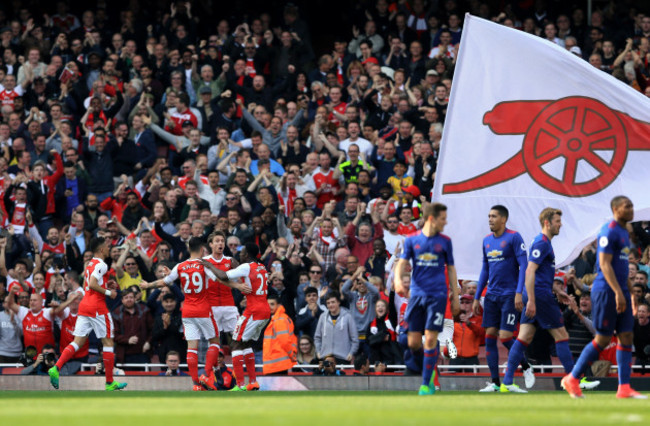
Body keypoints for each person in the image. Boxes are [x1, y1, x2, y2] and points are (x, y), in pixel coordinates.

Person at [563, 196, 647, 399]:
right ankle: (572, 378)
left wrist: (630, 295)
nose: (632, 209)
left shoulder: (625, 233)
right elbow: (605, 264)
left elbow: (623, 265)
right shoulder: (608, 231)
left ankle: (624, 387)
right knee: (603, 338)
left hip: (621, 289)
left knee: (626, 336)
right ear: (616, 209)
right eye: (628, 206)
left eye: (632, 205)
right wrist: (618, 292)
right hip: (606, 291)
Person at [141, 237, 248, 391]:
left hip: (188, 311)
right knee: (215, 342)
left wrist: (147, 285)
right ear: (202, 250)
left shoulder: (180, 266)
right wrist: (237, 285)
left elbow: (164, 282)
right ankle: (205, 374)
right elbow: (219, 279)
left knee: (192, 348)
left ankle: (196, 384)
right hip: (203, 309)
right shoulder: (203, 265)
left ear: (189, 248)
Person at [500, 208, 585, 393]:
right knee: (561, 336)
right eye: (557, 221)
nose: (560, 224)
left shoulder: (543, 242)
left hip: (538, 293)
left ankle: (506, 382)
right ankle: (574, 380)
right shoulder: (542, 243)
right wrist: (531, 300)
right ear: (547, 222)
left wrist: (557, 289)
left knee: (524, 338)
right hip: (539, 295)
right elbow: (530, 270)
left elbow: (539, 273)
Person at [395, 202, 460, 395]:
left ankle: (426, 383)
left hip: (437, 296)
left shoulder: (445, 241)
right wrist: (398, 279)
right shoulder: (412, 240)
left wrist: (455, 296)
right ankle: (425, 366)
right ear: (431, 219)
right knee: (414, 342)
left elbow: (451, 268)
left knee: (431, 339)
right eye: (443, 218)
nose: (445, 222)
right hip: (417, 295)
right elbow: (402, 262)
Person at [47, 236, 127, 391]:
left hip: (85, 306)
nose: (109, 249)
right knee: (108, 343)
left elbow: (87, 284)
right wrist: (108, 292)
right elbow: (92, 284)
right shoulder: (102, 264)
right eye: (108, 247)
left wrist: (105, 284)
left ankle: (56, 368)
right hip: (97, 307)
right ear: (102, 249)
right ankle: (110, 382)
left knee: (77, 342)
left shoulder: (91, 264)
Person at [473, 205, 535, 392]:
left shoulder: (514, 237)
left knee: (506, 336)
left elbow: (523, 265)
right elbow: (485, 269)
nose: (490, 219)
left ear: (503, 219)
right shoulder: (486, 241)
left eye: (494, 216)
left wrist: (519, 292)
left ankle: (525, 366)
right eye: (489, 216)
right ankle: (495, 382)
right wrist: (477, 297)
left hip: (509, 294)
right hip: (491, 295)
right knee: (490, 337)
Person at [209, 243, 271, 391]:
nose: (240, 254)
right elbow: (244, 271)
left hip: (253, 311)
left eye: (242, 251)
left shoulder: (246, 267)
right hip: (264, 311)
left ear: (246, 254)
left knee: (236, 343)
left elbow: (223, 275)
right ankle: (253, 382)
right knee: (246, 344)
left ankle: (240, 385)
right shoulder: (261, 267)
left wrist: (209, 266)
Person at [262, 295, 297, 375]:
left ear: (278, 305)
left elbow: (284, 341)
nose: (269, 307)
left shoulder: (279, 320)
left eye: (272, 304)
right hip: (278, 363)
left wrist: (291, 354)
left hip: (276, 364)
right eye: (268, 304)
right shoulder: (280, 318)